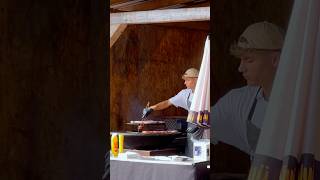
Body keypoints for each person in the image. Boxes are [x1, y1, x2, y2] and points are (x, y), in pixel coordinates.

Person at [211, 21, 285, 157]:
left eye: (249, 60)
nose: (241, 68)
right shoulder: (238, 100)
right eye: (241, 60)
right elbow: (203, 124)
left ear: (275, 60)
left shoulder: (306, 102)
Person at [142, 67, 206, 156]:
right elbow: (168, 102)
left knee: (204, 154)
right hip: (192, 130)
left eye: (187, 80)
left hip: (206, 131)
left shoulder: (206, 93)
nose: (184, 83)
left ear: (196, 80)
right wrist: (152, 108)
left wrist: (200, 124)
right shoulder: (185, 94)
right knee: (193, 154)